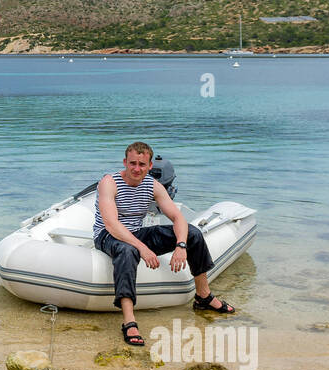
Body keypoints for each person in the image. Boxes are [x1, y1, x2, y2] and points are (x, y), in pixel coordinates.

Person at [92, 141, 234, 346]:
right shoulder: (109, 182)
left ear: (150, 166)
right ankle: (129, 321)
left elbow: (178, 218)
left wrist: (181, 245)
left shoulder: (153, 185)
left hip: (136, 232)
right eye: (132, 163)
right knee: (127, 249)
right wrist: (143, 249)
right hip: (107, 235)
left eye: (142, 164)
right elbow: (112, 225)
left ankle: (203, 297)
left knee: (193, 233)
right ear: (125, 162)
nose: (136, 169)